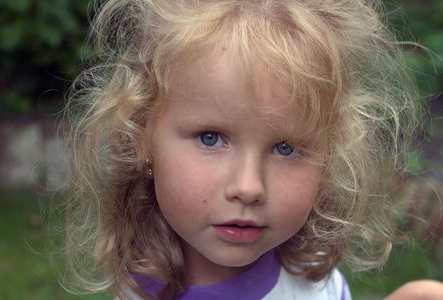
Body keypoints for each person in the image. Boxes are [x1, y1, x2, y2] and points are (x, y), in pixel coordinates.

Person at [62, 0, 424, 299]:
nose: (249, 187)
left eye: (285, 148)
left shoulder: (309, 269)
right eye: (210, 138)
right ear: (141, 137)